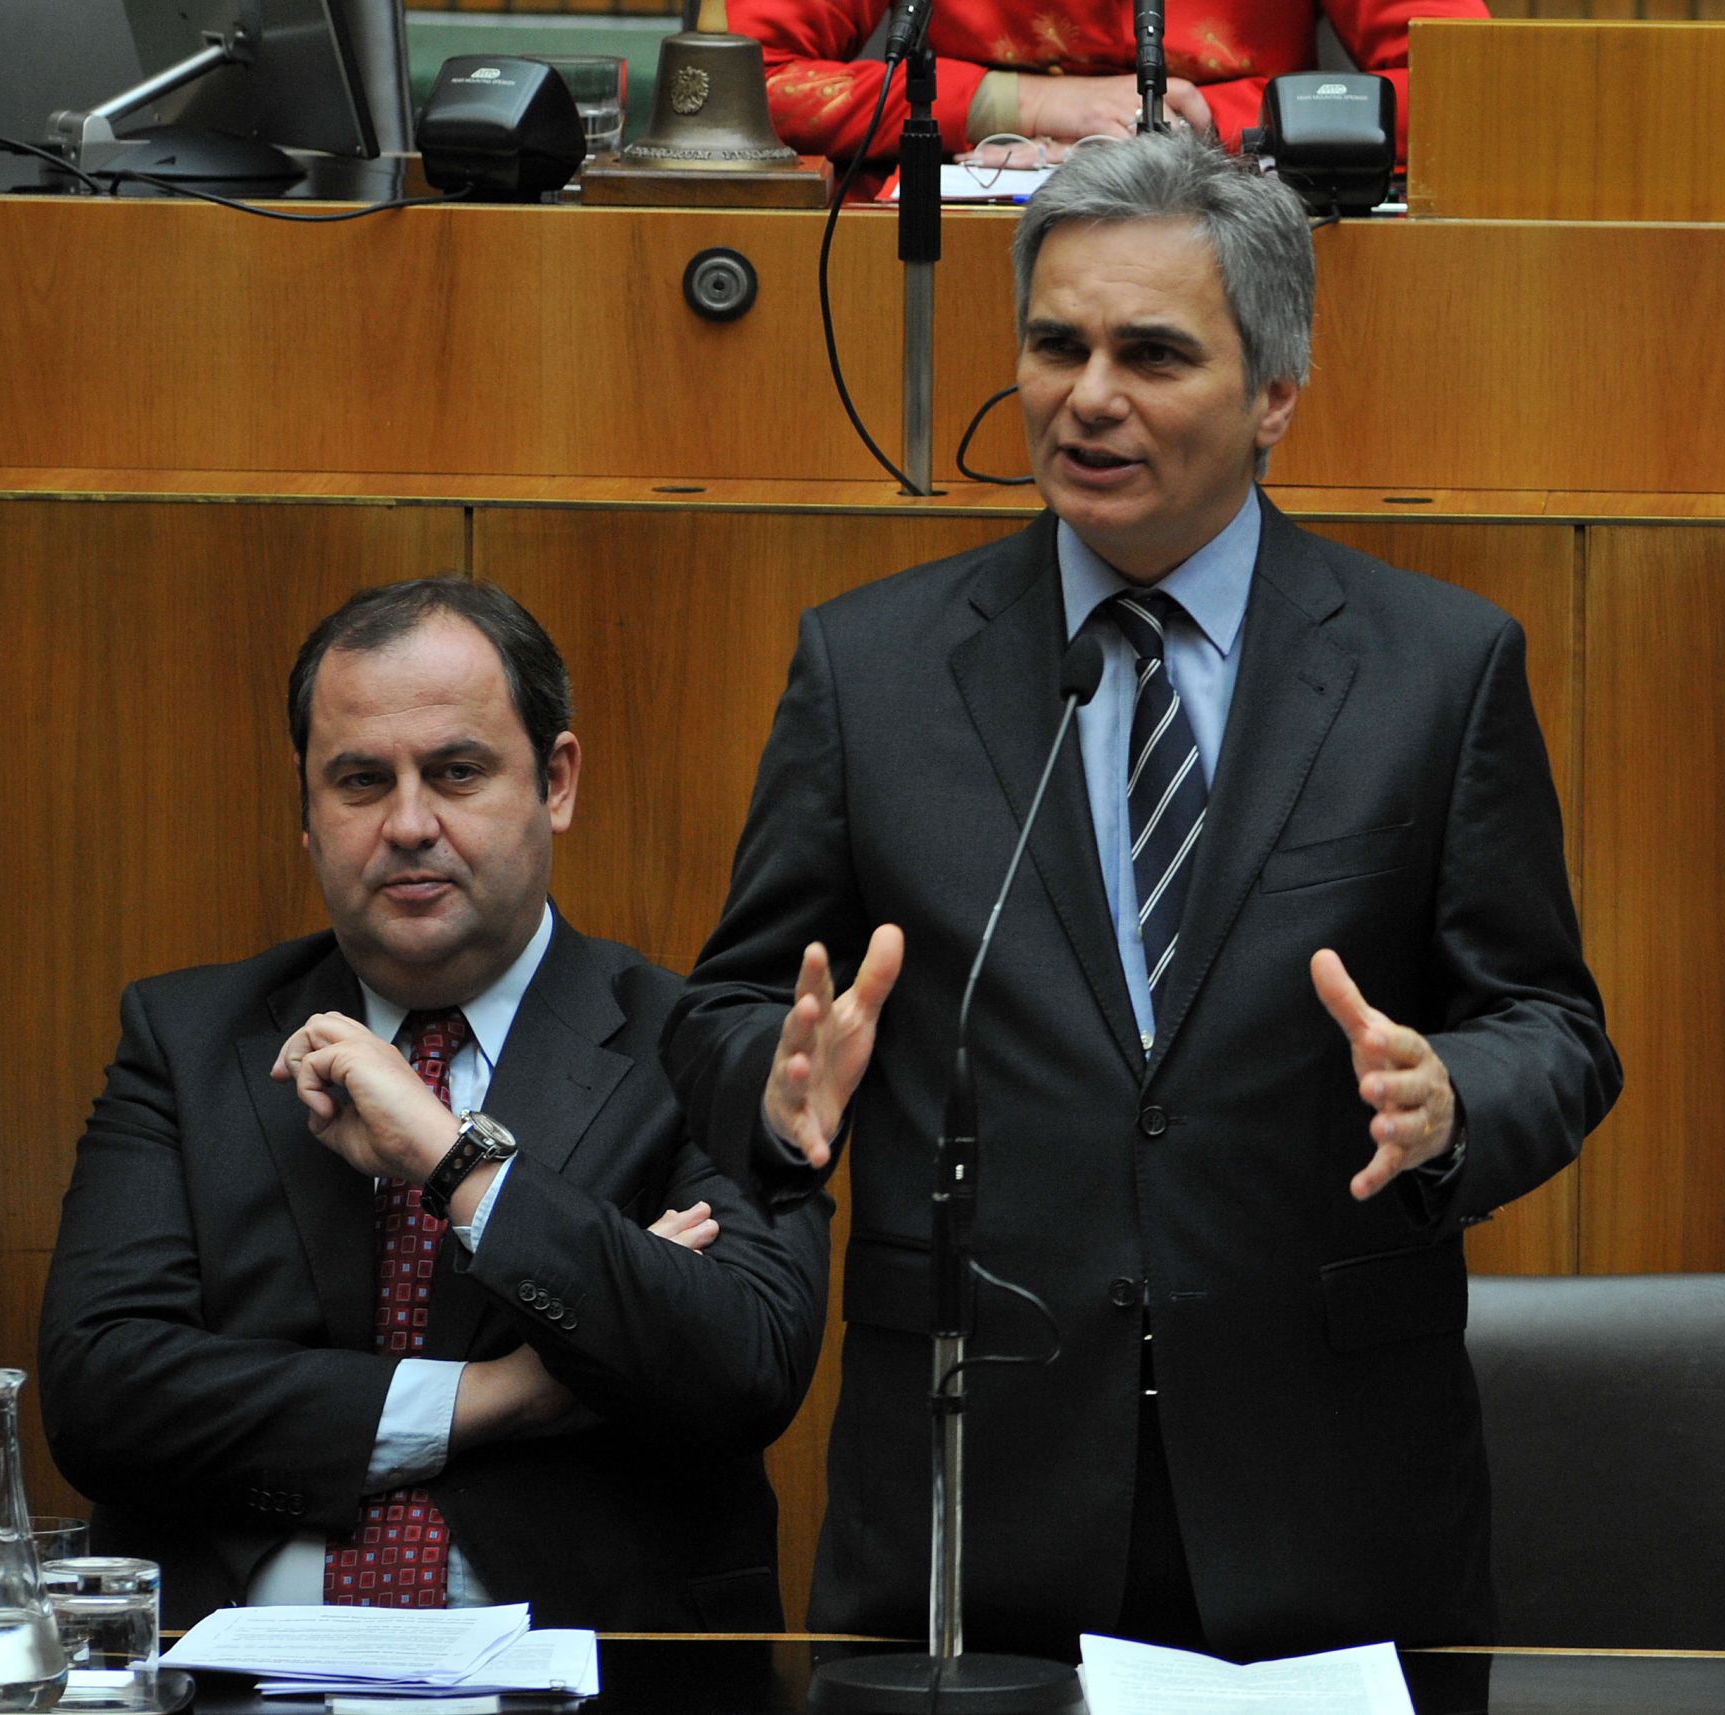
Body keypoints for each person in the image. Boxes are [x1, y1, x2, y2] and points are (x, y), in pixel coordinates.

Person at [662, 131, 1620, 1662]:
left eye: (1152, 352)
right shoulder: (878, 667)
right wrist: (778, 1098)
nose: (1087, 396)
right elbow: (727, 1006)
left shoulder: (1436, 671)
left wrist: (1456, 1097)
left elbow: (1552, 1026)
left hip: (1327, 1490)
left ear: (1274, 396)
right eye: (1057, 344)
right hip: (977, 1493)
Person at [39, 578, 829, 1630]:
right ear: (306, 808)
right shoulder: (184, 1039)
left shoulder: (695, 1046)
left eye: (456, 771)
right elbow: (104, 1393)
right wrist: (499, 1393)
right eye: (360, 780)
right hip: (231, 1670)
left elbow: (741, 1360)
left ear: (555, 779)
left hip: (598, 1668)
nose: (408, 823)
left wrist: (460, 1168)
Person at [731, 0, 1489, 172]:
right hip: (951, 243)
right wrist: (1018, 104)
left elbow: (1472, 94)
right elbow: (733, 85)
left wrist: (1185, 123)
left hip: (1237, 225)